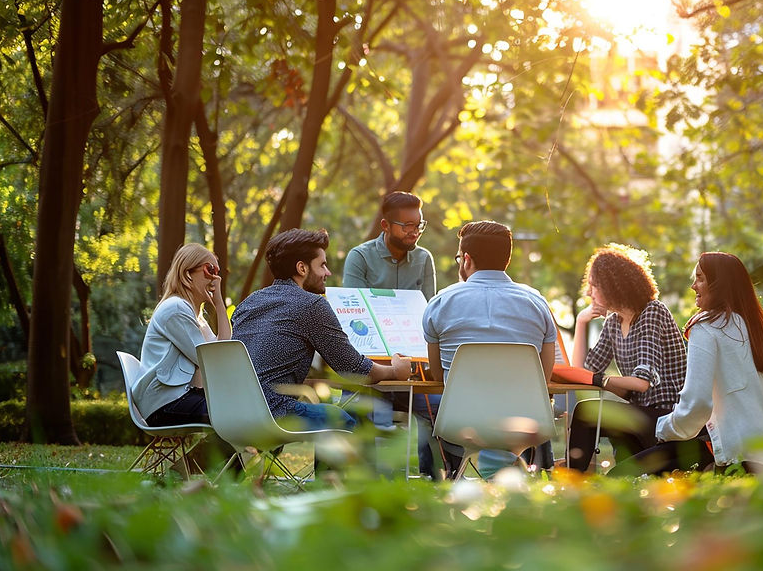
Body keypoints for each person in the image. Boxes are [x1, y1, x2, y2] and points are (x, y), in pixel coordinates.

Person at [231, 228, 411, 430]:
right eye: (322, 265)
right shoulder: (311, 305)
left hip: (230, 412)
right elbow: (354, 369)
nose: (328, 272)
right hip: (274, 413)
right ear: (302, 268)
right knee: (344, 421)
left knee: (326, 410)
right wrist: (395, 371)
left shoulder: (248, 304)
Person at [422, 220, 558, 477]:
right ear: (506, 260)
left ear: (467, 260)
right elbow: (545, 377)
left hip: (460, 422)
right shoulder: (537, 304)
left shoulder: (440, 303)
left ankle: (454, 478)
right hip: (524, 421)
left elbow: (439, 376)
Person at [567, 244, 707, 473]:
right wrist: (581, 323)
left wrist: (601, 381)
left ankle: (571, 479)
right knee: (593, 421)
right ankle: (574, 479)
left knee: (586, 412)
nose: (588, 293)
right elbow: (582, 370)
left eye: (594, 286)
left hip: (668, 414)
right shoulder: (613, 322)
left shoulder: (652, 312)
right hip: (642, 415)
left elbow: (642, 382)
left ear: (613, 285)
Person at [653, 251, 763, 473]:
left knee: (625, 473)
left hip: (739, 457)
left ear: (719, 284)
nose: (693, 286)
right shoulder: (746, 325)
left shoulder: (706, 326)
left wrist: (662, 429)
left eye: (700, 278)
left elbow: (697, 405)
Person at [342, 191, 437, 474]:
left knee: (439, 408)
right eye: (406, 226)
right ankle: (372, 484)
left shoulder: (424, 259)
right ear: (385, 225)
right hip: (370, 368)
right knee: (370, 416)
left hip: (413, 368)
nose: (414, 232)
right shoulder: (360, 257)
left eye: (418, 225)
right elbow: (354, 319)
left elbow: (428, 316)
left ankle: (437, 481)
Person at [134, 243, 231, 426]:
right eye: (209, 270)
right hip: (164, 403)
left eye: (217, 271)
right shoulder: (176, 309)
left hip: (178, 398)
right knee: (233, 413)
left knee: (239, 408)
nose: (215, 277)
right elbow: (211, 361)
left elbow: (222, 349)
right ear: (187, 273)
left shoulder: (195, 316)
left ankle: (206, 455)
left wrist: (218, 302)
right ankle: (203, 456)